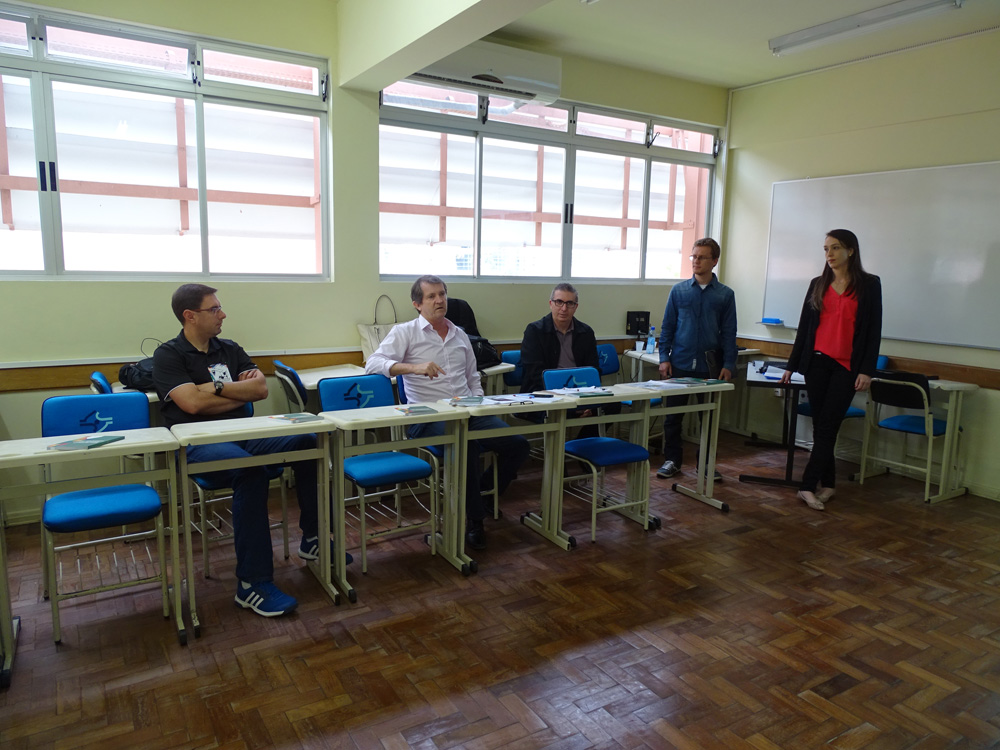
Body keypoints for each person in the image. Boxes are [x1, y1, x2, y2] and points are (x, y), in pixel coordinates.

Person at [153, 284, 338, 618]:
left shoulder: (229, 348)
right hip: (197, 443)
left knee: (308, 441)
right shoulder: (169, 355)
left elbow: (260, 389)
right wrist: (235, 394)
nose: (222, 314)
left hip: (244, 434)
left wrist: (214, 387)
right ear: (189, 316)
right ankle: (252, 585)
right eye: (214, 309)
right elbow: (191, 405)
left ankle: (313, 539)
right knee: (250, 471)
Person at [365, 275, 529, 550]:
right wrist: (413, 368)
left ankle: (482, 496)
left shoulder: (460, 334)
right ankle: (474, 520)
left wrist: (478, 403)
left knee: (518, 445)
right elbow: (372, 363)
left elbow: (473, 377)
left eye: (442, 294)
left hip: (468, 413)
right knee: (466, 446)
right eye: (431, 296)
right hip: (427, 417)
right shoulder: (405, 332)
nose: (439, 300)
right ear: (417, 304)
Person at [782, 229, 882, 511]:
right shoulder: (818, 284)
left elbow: (873, 331)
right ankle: (828, 483)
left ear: (851, 250)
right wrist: (791, 365)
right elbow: (805, 327)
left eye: (835, 248)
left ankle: (806, 486)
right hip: (816, 363)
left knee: (827, 426)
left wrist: (867, 370)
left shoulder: (869, 285)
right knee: (822, 426)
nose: (829, 254)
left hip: (847, 366)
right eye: (826, 249)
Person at [657, 237, 738, 479]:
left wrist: (729, 364)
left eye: (702, 257)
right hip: (680, 363)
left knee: (709, 418)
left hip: (709, 367)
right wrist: (664, 357)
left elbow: (729, 332)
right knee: (673, 417)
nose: (696, 261)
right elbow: (667, 326)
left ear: (714, 261)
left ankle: (706, 464)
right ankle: (672, 460)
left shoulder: (725, 295)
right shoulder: (679, 291)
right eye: (694, 256)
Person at [520, 283, 600, 394]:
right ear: (551, 304)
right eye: (559, 302)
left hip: (580, 390)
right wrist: (561, 390)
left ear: (575, 307)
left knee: (612, 402)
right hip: (544, 391)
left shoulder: (586, 332)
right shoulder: (535, 331)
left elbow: (593, 369)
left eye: (569, 303)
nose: (564, 308)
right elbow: (534, 372)